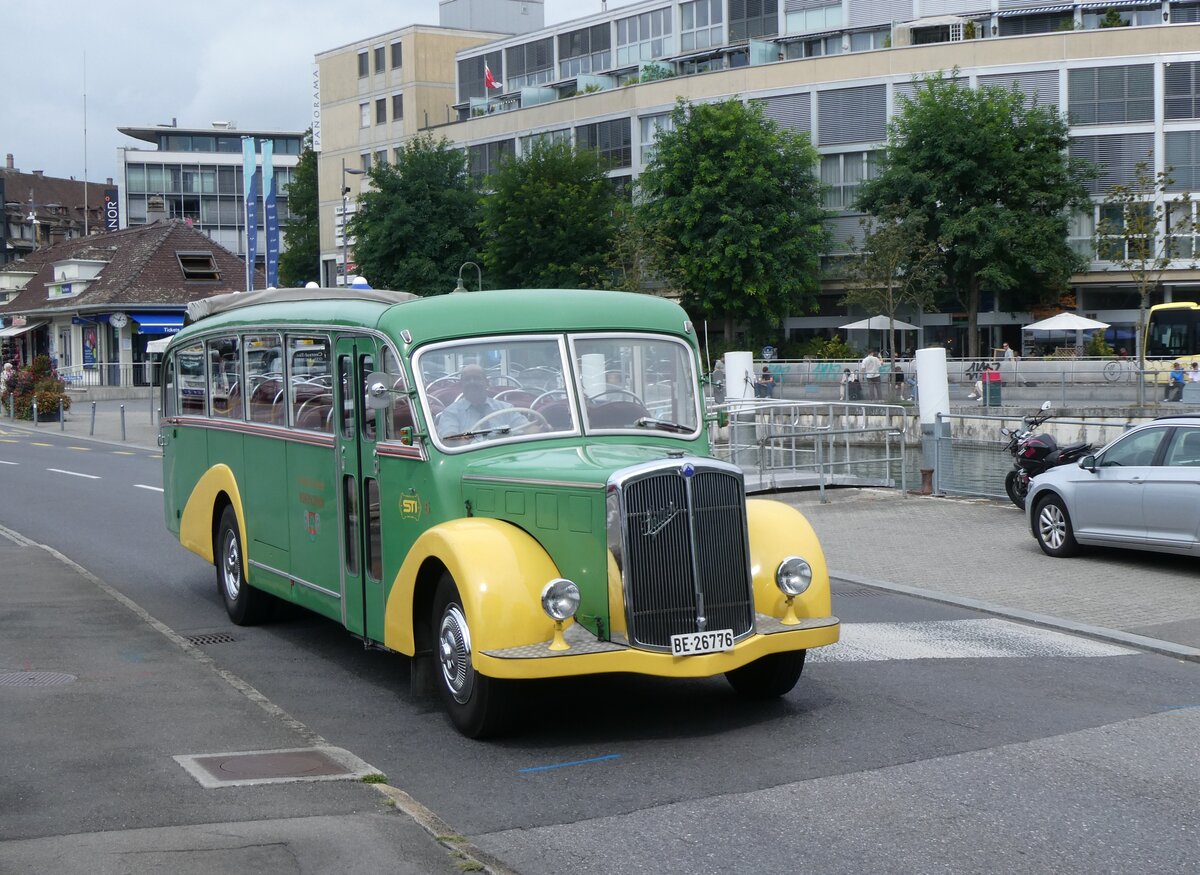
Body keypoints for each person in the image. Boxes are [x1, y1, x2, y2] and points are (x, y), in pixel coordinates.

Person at [436, 364, 530, 441]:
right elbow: (449, 441)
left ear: (487, 382)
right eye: (467, 379)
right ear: (461, 385)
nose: (472, 382)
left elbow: (529, 429)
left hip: (506, 456)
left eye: (477, 378)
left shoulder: (505, 408)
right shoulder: (451, 413)